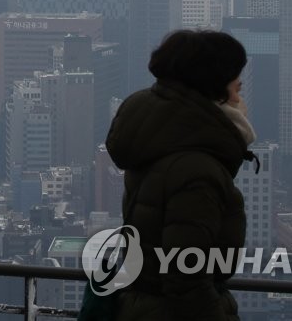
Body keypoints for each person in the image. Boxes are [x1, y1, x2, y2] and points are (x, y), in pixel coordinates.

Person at [103, 29, 257, 321]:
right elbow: (187, 280)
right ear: (216, 93)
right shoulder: (196, 170)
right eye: (237, 89)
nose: (241, 101)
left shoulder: (161, 144)